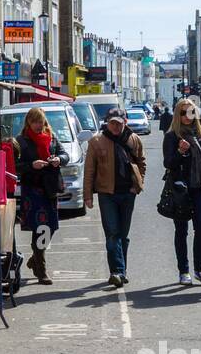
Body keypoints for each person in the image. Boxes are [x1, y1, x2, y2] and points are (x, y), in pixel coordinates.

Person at [82, 108, 146, 288]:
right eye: (113, 123)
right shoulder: (96, 142)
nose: (116, 126)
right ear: (107, 123)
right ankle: (117, 271)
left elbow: (142, 162)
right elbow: (89, 170)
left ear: (125, 122)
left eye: (119, 123)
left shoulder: (133, 139)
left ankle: (121, 271)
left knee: (123, 236)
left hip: (128, 193)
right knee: (112, 234)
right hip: (107, 194)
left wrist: (138, 185)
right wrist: (87, 195)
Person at [163, 100, 201, 286]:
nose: (187, 116)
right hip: (180, 189)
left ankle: (200, 269)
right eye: (184, 112)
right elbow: (168, 163)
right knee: (181, 230)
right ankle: (183, 271)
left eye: (191, 112)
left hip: (199, 187)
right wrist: (180, 151)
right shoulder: (172, 136)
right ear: (178, 115)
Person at [15, 107, 70, 286]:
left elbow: (65, 155)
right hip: (33, 189)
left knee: (51, 227)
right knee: (40, 228)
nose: (39, 125)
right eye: (35, 122)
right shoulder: (21, 141)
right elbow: (15, 165)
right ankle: (41, 270)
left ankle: (34, 259)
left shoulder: (51, 137)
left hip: (50, 188)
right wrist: (32, 165)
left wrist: (58, 160)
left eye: (41, 122)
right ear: (29, 122)